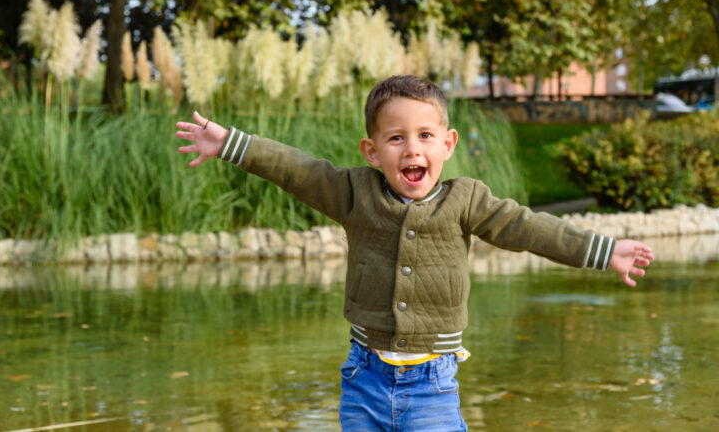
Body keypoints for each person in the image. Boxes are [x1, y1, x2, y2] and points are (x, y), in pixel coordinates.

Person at [175, 75, 654, 432]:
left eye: (425, 136)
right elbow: (296, 170)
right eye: (396, 137)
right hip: (363, 377)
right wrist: (232, 144)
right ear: (372, 149)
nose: (412, 149)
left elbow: (528, 229)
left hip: (433, 384)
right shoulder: (352, 193)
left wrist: (602, 250)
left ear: (447, 145)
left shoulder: (466, 200)